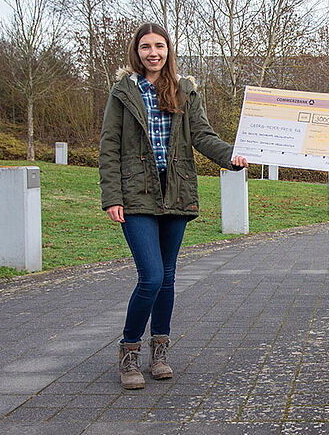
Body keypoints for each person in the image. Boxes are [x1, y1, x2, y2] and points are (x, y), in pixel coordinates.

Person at [99, 22, 248, 390]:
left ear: (169, 50)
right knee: (150, 276)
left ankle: (160, 351)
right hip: (136, 195)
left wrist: (232, 157)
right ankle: (129, 350)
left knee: (167, 277)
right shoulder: (123, 92)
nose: (153, 53)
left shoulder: (185, 90)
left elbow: (202, 135)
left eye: (160, 46)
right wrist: (112, 197)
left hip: (176, 193)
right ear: (136, 51)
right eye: (146, 46)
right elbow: (109, 147)